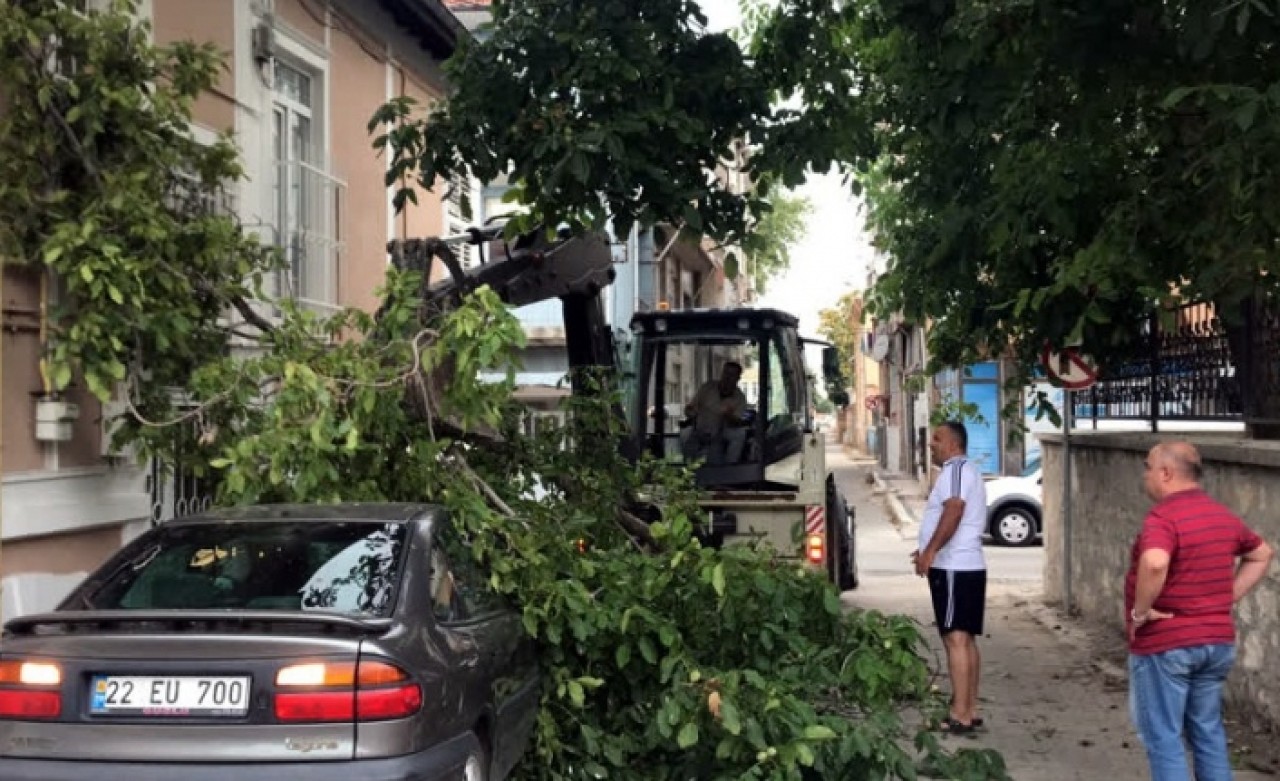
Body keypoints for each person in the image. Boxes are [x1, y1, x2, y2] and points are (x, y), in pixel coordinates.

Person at [1127, 441, 1273, 781]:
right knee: (1208, 733)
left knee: (1163, 737)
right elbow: (1262, 553)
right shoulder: (1221, 514)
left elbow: (1155, 561)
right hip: (1216, 643)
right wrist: (1227, 597)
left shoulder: (1163, 517)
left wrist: (1140, 612)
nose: (1145, 475)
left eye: (1148, 467)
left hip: (1167, 645)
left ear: (1166, 473)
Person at [911, 421, 987, 734]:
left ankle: (960, 713)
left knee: (955, 638)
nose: (931, 444)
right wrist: (927, 550)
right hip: (965, 565)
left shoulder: (955, 470)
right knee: (963, 638)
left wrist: (930, 552)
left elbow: (954, 510)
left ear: (953, 444)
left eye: (937, 439)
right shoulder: (966, 470)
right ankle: (968, 708)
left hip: (955, 566)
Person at [680, 361, 748, 465]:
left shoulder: (739, 398)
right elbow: (690, 408)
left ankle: (730, 468)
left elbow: (736, 423)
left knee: (715, 463)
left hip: (719, 435)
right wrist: (690, 412)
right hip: (698, 430)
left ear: (738, 378)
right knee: (685, 439)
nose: (727, 378)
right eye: (726, 373)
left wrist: (728, 415)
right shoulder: (707, 387)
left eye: (732, 375)